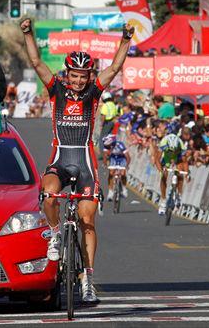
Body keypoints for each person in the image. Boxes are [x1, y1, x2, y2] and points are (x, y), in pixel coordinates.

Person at [20, 17, 134, 303]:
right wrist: (29, 33)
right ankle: (56, 234)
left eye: (84, 75)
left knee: (87, 220)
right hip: (60, 158)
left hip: (84, 162)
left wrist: (125, 39)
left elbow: (115, 67)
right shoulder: (55, 89)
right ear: (67, 73)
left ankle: (88, 277)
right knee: (48, 194)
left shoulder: (94, 93)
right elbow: (35, 62)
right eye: (75, 75)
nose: (80, 80)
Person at [157, 130, 188, 215]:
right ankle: (163, 200)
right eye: (171, 149)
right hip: (166, 158)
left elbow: (184, 161)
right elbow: (157, 159)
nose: (173, 151)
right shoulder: (163, 142)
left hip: (177, 158)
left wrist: (186, 173)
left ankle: (179, 194)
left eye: (174, 149)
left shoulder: (181, 145)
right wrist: (161, 171)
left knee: (180, 173)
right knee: (164, 176)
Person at [102, 133, 131, 200]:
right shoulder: (106, 147)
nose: (108, 146)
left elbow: (128, 157)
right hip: (113, 158)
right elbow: (105, 156)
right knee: (111, 173)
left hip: (122, 158)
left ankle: (124, 189)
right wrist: (105, 164)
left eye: (109, 145)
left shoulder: (120, 145)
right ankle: (110, 192)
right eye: (107, 146)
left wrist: (126, 165)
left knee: (123, 173)